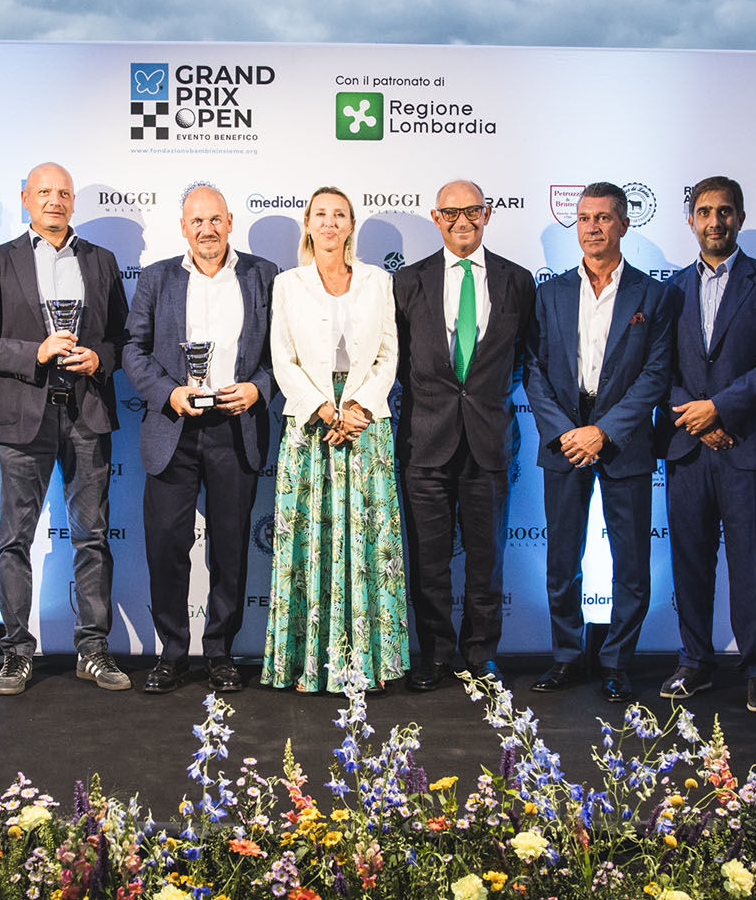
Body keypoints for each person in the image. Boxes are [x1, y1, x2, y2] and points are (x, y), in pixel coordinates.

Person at [0, 162, 129, 695]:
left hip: (86, 413)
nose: (55, 200)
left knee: (92, 537)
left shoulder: (101, 261)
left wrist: (98, 359)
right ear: (26, 199)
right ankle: (15, 652)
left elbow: (122, 340)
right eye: (44, 192)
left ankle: (92, 650)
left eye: (63, 193)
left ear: (73, 201)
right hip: (21, 415)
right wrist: (35, 351)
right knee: (13, 538)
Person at [522, 182, 678, 702]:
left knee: (631, 562)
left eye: (604, 217)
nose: (592, 227)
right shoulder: (550, 293)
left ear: (624, 225)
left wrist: (605, 431)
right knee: (561, 560)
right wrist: (565, 431)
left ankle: (616, 661)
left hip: (622, 439)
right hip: (564, 437)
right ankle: (567, 656)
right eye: (585, 218)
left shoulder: (653, 295)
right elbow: (534, 369)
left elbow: (655, 374)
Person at [122, 183, 277, 693]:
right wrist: (169, 393)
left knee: (230, 548)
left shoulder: (264, 275)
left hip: (235, 426)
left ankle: (220, 652)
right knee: (167, 545)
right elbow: (132, 349)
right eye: (197, 221)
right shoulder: (156, 278)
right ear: (183, 227)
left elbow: (282, 353)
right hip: (174, 428)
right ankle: (171, 652)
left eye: (215, 220)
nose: (207, 229)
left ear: (230, 222)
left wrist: (258, 388)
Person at [658, 176, 756, 713]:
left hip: (750, 446)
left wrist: (718, 408)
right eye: (704, 211)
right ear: (690, 220)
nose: (714, 221)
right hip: (689, 449)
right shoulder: (670, 289)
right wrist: (696, 419)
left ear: (740, 217)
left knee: (754, 563)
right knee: (690, 562)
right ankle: (694, 661)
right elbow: (659, 368)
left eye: (724, 211)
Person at [261, 187, 407, 693]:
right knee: (310, 540)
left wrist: (359, 406)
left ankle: (372, 663)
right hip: (310, 423)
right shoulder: (287, 284)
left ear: (351, 225)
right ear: (307, 223)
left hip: (367, 421)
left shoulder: (378, 281)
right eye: (320, 214)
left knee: (369, 540)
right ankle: (308, 665)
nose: (329, 222)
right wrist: (323, 408)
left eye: (338, 214)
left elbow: (389, 353)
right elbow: (282, 358)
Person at [393, 179, 536, 691]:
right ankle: (434, 656)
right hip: (425, 441)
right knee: (428, 559)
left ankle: (481, 655)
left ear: (487, 214)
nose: (462, 221)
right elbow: (396, 360)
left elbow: (526, 358)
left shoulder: (517, 281)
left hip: (489, 440)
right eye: (450, 213)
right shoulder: (408, 282)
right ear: (436, 218)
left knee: (486, 559)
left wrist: (488, 397)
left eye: (471, 211)